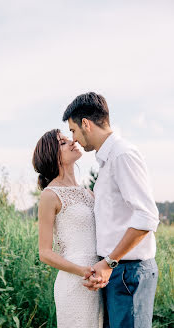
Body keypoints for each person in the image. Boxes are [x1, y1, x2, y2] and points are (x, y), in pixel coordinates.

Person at [62, 92, 160, 328]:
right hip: (117, 273)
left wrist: (109, 263)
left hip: (128, 272)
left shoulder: (122, 155)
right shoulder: (106, 162)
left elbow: (147, 218)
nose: (73, 138)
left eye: (73, 130)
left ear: (86, 124)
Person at [32, 129, 104, 328]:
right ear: (53, 156)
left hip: (98, 279)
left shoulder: (89, 193)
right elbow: (45, 253)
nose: (72, 141)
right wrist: (82, 270)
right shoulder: (50, 195)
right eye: (63, 142)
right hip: (75, 281)